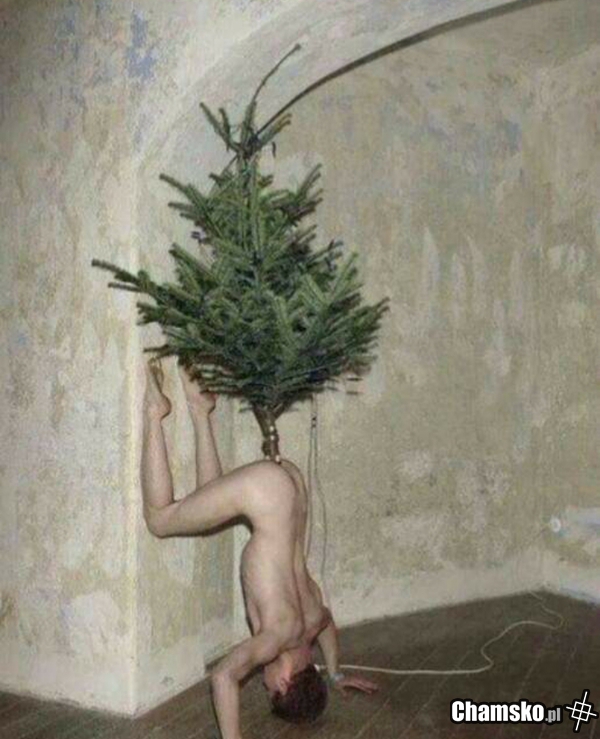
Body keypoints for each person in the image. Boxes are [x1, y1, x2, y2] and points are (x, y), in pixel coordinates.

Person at [141, 357, 379, 739]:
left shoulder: (310, 621)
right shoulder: (276, 639)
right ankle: (155, 411)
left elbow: (328, 623)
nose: (264, 683)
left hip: (290, 484)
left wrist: (335, 673)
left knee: (208, 506)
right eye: (270, 689)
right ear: (285, 682)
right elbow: (223, 677)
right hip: (268, 493)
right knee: (160, 519)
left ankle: (201, 410)